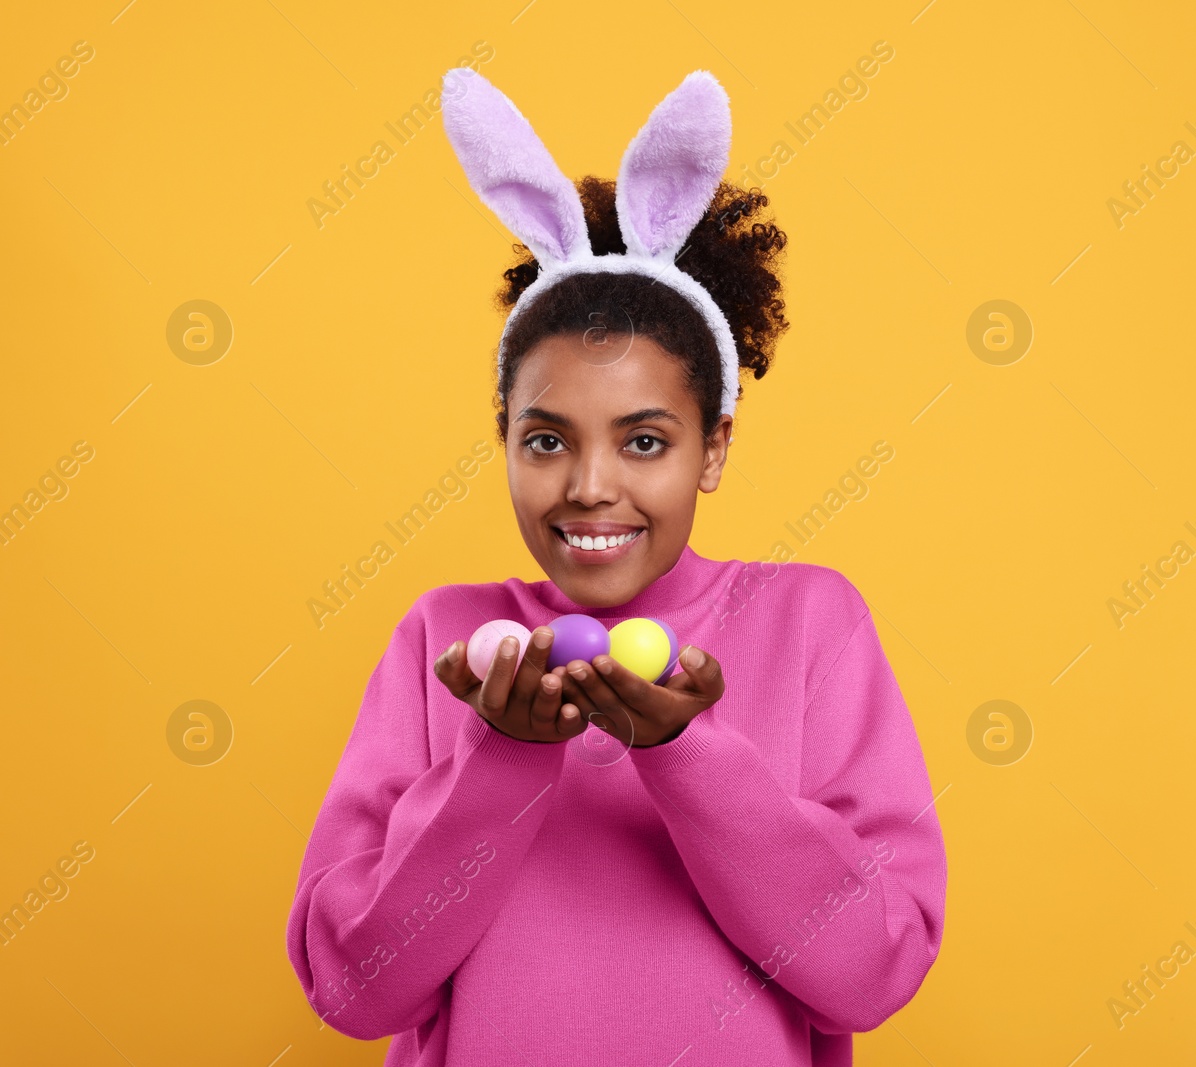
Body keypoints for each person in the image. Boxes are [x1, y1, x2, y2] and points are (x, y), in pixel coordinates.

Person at [284, 67, 946, 1066]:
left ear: (712, 447)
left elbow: (872, 970)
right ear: (502, 437)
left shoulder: (811, 619)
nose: (590, 485)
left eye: (644, 441)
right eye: (546, 441)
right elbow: (351, 987)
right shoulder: (446, 638)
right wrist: (499, 755)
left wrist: (691, 755)